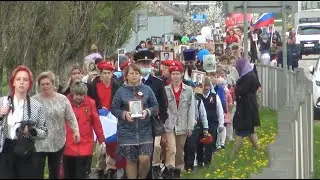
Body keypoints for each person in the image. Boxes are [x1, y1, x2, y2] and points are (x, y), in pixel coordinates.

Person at [111, 64, 159, 179]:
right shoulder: (120, 91)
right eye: (131, 73)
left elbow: (155, 105)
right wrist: (124, 114)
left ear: (140, 75)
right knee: (131, 160)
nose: (134, 75)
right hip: (127, 132)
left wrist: (147, 111)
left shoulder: (147, 89)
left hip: (145, 131)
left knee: (145, 158)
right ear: (126, 76)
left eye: (136, 73)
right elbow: (114, 108)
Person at [0, 65, 48, 179]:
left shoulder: (37, 106)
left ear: (29, 84)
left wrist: (32, 131)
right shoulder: (2, 102)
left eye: (25, 80)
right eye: (18, 79)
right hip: (6, 149)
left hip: (26, 150)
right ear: (13, 82)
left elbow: (45, 132)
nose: (21, 82)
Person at [32, 71, 80, 179]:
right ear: (39, 86)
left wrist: (76, 131)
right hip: (39, 143)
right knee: (36, 172)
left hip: (57, 142)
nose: (45, 86)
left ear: (53, 84)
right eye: (42, 84)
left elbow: (71, 117)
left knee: (55, 172)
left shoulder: (62, 99)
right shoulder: (34, 100)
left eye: (47, 83)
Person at [133, 50, 168, 179]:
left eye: (148, 63)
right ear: (136, 64)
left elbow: (163, 105)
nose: (145, 66)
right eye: (142, 64)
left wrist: (160, 122)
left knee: (147, 156)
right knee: (132, 157)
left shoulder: (157, 83)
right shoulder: (128, 81)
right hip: (131, 126)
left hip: (149, 126)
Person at [64, 80, 106, 179]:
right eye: (76, 95)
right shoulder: (65, 102)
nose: (78, 97)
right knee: (69, 174)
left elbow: (96, 122)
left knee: (82, 174)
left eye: (81, 95)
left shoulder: (91, 103)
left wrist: (101, 140)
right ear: (72, 93)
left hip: (85, 145)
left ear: (85, 95)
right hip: (68, 145)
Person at [87, 61, 120, 179]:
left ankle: (111, 168)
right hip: (98, 116)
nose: (107, 75)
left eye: (109, 73)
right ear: (100, 74)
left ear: (112, 74)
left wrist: (111, 111)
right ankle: (98, 167)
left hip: (112, 117)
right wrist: (98, 109)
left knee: (112, 143)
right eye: (104, 73)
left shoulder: (116, 85)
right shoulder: (92, 85)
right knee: (98, 144)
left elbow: (118, 101)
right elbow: (90, 101)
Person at [162, 64, 195, 179]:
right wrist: (162, 124)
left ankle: (178, 169)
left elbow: (191, 109)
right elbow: (163, 108)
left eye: (177, 74)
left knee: (180, 150)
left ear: (181, 75)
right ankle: (169, 169)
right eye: (173, 74)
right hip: (169, 124)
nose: (175, 76)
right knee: (171, 148)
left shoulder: (189, 90)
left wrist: (190, 126)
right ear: (170, 75)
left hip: (183, 124)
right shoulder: (165, 90)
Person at [232, 58, 261, 158]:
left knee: (241, 131)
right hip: (249, 105)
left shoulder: (248, 77)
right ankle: (259, 150)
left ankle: (233, 154)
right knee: (250, 131)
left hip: (246, 107)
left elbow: (242, 90)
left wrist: (236, 88)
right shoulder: (251, 74)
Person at [197, 77, 224, 167]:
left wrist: (221, 124)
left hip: (212, 123)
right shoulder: (197, 97)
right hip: (200, 124)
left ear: (210, 87)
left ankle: (207, 163)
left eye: (207, 86)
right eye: (204, 86)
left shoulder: (215, 96)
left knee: (209, 143)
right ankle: (199, 161)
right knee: (199, 144)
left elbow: (219, 110)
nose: (205, 88)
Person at [184, 84, 208, 173]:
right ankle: (183, 165)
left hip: (194, 126)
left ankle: (189, 166)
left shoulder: (198, 100)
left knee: (191, 146)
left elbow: (203, 114)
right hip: (182, 124)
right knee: (184, 146)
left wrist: (205, 127)